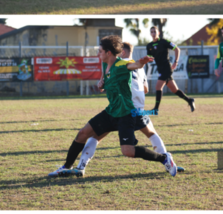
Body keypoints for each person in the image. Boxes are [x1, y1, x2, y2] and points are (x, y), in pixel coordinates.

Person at [48, 36, 177, 178]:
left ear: (109, 52)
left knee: (127, 151)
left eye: (100, 51)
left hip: (125, 113)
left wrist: (141, 63)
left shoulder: (121, 64)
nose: (98, 54)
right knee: (83, 133)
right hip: (112, 111)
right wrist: (102, 83)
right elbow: (105, 78)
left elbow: (133, 65)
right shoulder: (105, 64)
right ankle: (66, 167)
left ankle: (164, 158)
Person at [147, 26, 195, 113]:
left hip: (166, 68)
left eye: (155, 31)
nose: (153, 33)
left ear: (158, 33)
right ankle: (189, 100)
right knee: (174, 90)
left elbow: (177, 49)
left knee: (158, 86)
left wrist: (176, 62)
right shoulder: (149, 46)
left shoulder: (164, 42)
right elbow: (150, 57)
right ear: (150, 33)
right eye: (152, 32)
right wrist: (146, 59)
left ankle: (156, 109)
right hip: (160, 69)